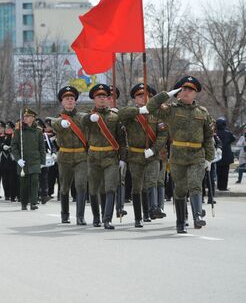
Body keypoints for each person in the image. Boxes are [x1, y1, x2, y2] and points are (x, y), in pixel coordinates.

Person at [145, 76, 215, 234]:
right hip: (178, 156)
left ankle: (197, 217)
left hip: (197, 155)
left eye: (190, 90)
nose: (186, 92)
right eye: (184, 89)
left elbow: (208, 137)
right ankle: (180, 222)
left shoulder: (202, 112)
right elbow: (151, 107)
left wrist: (209, 158)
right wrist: (167, 94)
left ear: (195, 94)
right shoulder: (171, 110)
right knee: (180, 190)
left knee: (195, 184)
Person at [119, 84, 168, 228]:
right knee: (137, 187)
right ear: (135, 98)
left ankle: (153, 209)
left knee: (151, 181)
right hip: (135, 155)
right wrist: (139, 110)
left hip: (152, 155)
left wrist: (154, 149)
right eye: (140, 96)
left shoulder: (157, 113)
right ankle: (139, 217)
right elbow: (120, 115)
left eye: (146, 95)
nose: (144, 98)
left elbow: (163, 134)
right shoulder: (131, 113)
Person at [82, 84, 126, 229]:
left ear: (108, 99)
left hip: (110, 157)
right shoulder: (89, 116)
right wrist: (91, 118)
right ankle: (96, 217)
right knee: (94, 189)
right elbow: (83, 122)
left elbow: (121, 139)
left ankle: (107, 219)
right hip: (94, 156)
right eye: (98, 97)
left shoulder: (115, 116)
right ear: (94, 99)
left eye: (104, 97)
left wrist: (123, 158)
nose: (101, 99)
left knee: (110, 187)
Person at [51, 86, 89, 224]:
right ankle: (65, 214)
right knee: (64, 186)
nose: (70, 101)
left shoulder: (82, 117)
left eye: (72, 99)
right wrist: (62, 123)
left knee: (81, 185)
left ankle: (80, 216)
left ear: (75, 102)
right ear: (62, 102)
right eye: (67, 99)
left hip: (81, 156)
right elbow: (55, 125)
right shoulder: (58, 119)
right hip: (65, 156)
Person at [11, 108, 46, 210]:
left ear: (33, 118)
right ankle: (24, 202)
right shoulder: (19, 131)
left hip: (35, 160)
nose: (25, 118)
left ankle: (33, 203)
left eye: (28, 116)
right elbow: (14, 146)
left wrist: (43, 161)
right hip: (23, 160)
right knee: (24, 184)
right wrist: (18, 159)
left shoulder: (38, 131)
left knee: (35, 181)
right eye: (25, 116)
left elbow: (42, 147)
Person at [215, 118, 236, 191]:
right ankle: (223, 187)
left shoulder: (215, 133)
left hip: (218, 155)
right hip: (227, 156)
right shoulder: (228, 133)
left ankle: (219, 186)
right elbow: (233, 139)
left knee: (218, 172)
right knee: (225, 173)